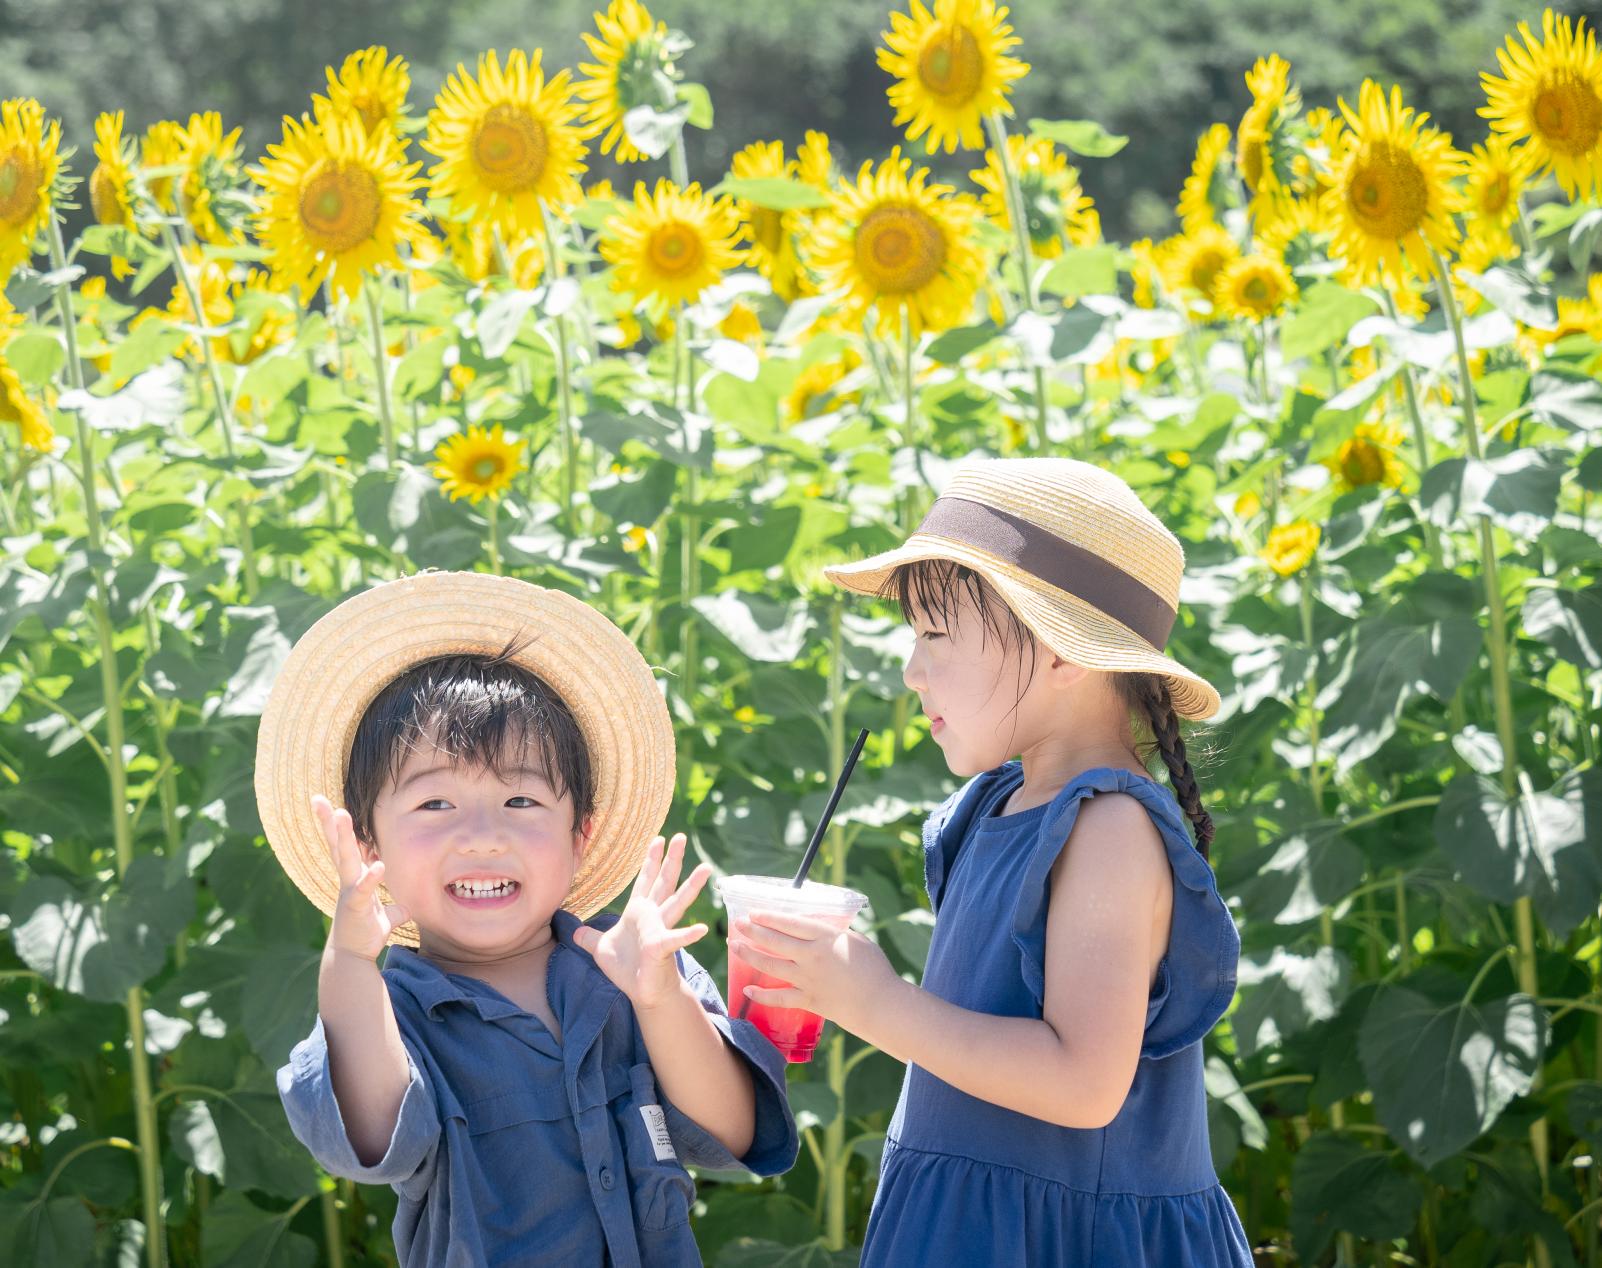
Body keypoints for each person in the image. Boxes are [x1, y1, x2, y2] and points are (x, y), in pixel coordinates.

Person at [728, 457, 1252, 1265]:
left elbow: (1084, 1083)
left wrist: (877, 1003)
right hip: (967, 1225)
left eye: (935, 634)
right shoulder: (996, 807)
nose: (911, 669)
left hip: (1068, 1242)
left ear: (1060, 651)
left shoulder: (1106, 829)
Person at [255, 571, 798, 1268]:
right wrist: (351, 964)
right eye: (434, 805)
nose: (482, 836)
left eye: (520, 802)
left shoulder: (631, 968)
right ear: (369, 847)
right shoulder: (397, 1012)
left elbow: (735, 1131)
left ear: (582, 837)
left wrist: (660, 1000)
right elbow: (367, 1140)